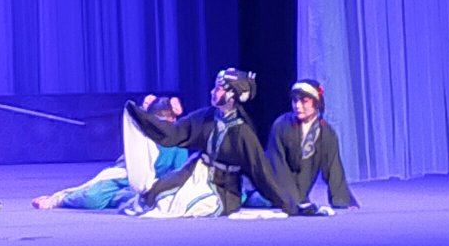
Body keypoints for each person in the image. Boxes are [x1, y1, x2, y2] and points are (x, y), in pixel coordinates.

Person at [120, 68, 308, 218]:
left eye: (218, 89)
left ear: (232, 95)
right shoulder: (206, 117)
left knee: (185, 204)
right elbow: (174, 133)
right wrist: (141, 118)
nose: (212, 91)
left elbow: (260, 172)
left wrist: (288, 204)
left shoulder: (242, 132)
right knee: (155, 194)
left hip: (223, 189)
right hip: (195, 173)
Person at [30, 95, 190, 210]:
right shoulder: (142, 135)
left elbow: (180, 172)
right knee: (92, 199)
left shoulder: (178, 142)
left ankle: (122, 198)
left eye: (169, 121)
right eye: (159, 122)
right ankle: (59, 199)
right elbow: (134, 118)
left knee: (152, 199)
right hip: (123, 178)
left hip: (152, 185)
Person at [267, 78, 358, 211]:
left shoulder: (326, 133)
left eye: (304, 101)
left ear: (317, 103)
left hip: (300, 192)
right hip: (275, 187)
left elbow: (333, 167)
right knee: (261, 199)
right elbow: (276, 164)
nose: (298, 106)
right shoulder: (281, 125)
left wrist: (343, 200)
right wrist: (291, 198)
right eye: (295, 101)